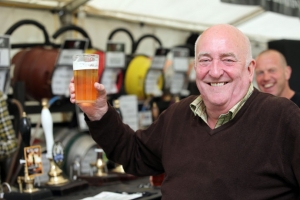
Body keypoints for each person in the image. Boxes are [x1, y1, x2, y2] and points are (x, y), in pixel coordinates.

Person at [69, 24, 300, 199]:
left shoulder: (282, 117)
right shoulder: (178, 114)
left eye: (228, 60)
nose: (215, 71)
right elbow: (134, 155)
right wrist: (100, 112)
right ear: (196, 68)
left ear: (250, 70)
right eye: (205, 60)